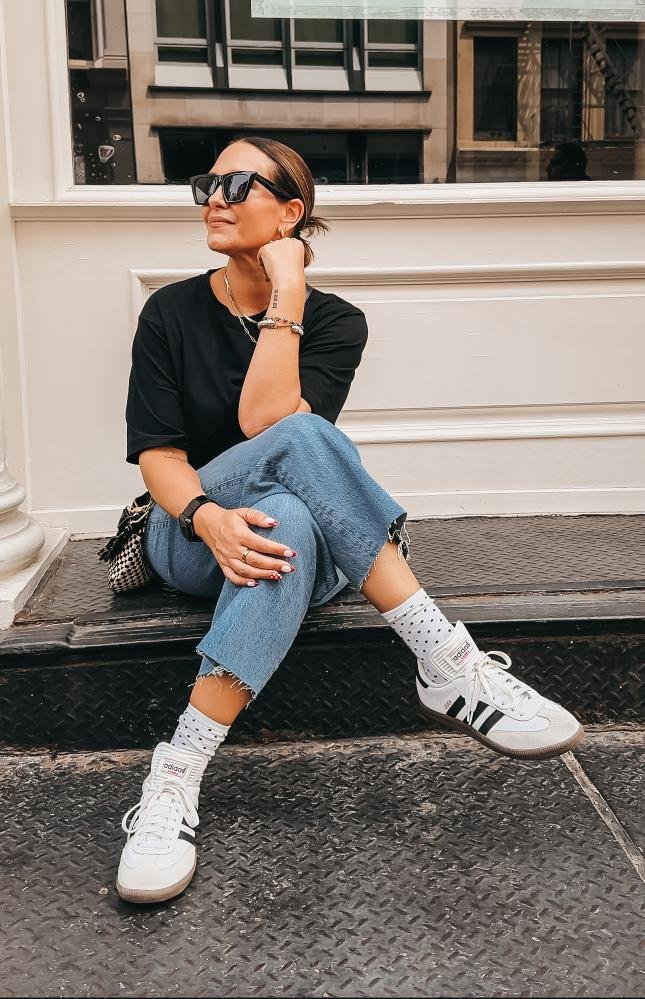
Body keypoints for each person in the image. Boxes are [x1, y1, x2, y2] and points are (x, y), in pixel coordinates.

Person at [116, 136, 584, 905]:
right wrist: (205, 516)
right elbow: (161, 456)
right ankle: (446, 661)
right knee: (300, 448)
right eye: (207, 181)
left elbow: (269, 418)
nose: (214, 196)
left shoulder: (337, 322)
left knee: (294, 515)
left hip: (285, 541)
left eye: (237, 183)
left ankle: (175, 776)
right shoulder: (169, 310)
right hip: (193, 532)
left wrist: (288, 292)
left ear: (290, 212)